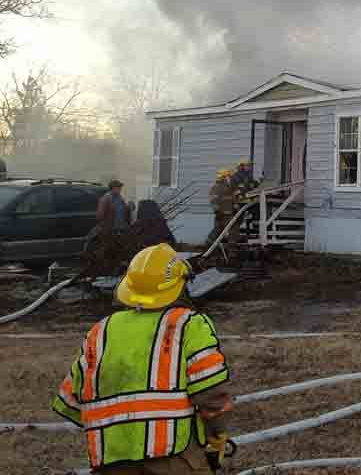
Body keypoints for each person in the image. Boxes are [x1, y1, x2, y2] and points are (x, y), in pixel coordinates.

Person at [52, 244, 236, 474]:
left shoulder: (100, 332)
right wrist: (217, 436)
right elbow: (213, 398)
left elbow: (70, 402)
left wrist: (122, 430)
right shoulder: (189, 325)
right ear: (180, 285)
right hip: (175, 458)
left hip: (112, 461)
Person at [208, 169, 239, 245]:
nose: (230, 177)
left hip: (229, 213)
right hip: (222, 213)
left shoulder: (228, 187)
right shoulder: (217, 187)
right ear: (224, 177)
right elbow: (214, 200)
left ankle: (231, 246)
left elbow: (233, 198)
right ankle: (209, 245)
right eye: (228, 176)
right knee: (218, 230)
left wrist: (235, 207)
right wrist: (217, 211)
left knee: (232, 229)